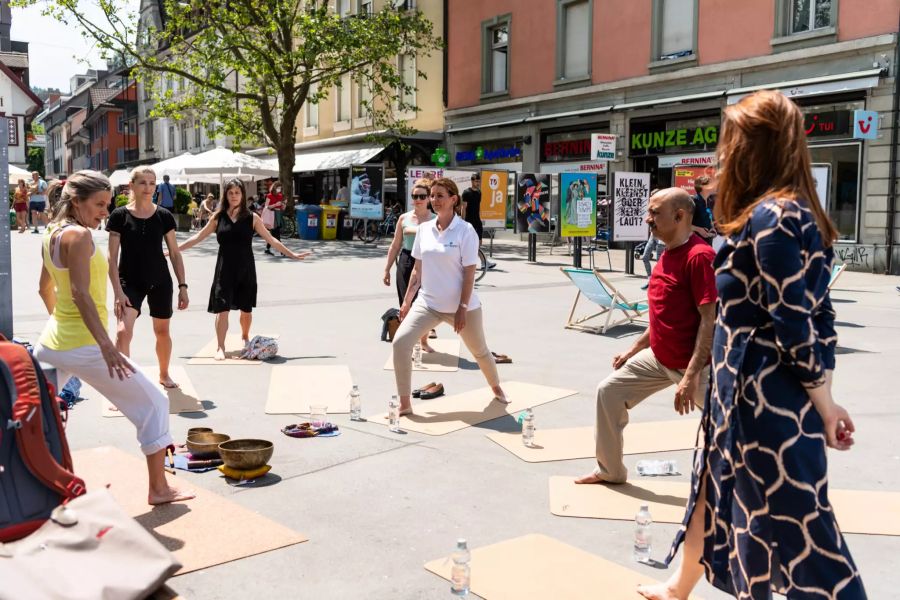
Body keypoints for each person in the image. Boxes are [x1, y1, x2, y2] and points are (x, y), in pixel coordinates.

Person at [638, 91, 865, 600]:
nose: (722, 153)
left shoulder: (776, 216)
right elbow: (817, 316)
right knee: (714, 490)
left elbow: (797, 323)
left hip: (764, 402)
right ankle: (680, 585)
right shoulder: (777, 213)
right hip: (743, 392)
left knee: (807, 538)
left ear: (752, 146)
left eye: (730, 140)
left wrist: (825, 405)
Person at [33, 170, 193, 506]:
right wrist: (106, 346)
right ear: (76, 201)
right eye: (99, 204)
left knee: (36, 418)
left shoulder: (51, 233)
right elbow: (79, 293)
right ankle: (159, 489)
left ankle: (35, 488)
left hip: (51, 344)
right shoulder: (79, 236)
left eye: (108, 204)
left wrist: (60, 323)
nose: (105, 212)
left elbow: (44, 288)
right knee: (155, 403)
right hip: (83, 346)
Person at [575, 188, 716, 486]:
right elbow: (662, 317)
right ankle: (610, 470)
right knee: (608, 392)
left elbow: (709, 322)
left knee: (732, 429)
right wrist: (632, 349)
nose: (647, 218)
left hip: (698, 367)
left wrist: (689, 378)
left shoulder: (700, 257)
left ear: (679, 216)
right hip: (659, 357)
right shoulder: (667, 254)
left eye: (654, 213)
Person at [391, 177, 506, 414]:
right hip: (428, 303)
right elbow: (417, 269)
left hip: (461, 306)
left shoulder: (466, 230)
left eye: (440, 196)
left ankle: (496, 388)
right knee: (400, 343)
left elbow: (469, 272)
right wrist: (406, 301)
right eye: (432, 196)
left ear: (453, 199)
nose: (434, 200)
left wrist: (462, 307)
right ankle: (405, 404)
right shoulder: (424, 230)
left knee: (480, 352)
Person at [178, 179, 310, 361]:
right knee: (222, 309)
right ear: (226, 195)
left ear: (242, 195)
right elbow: (198, 237)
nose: (233, 196)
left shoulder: (252, 218)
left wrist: (292, 254)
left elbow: (272, 240)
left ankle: (245, 336)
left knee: (245, 310)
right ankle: (220, 347)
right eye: (230, 193)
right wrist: (174, 250)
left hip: (245, 269)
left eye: (237, 193)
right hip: (224, 269)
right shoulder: (218, 217)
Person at [106, 167, 189, 389]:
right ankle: (124, 384)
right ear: (131, 185)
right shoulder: (119, 216)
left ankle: (163, 374)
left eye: (152, 183)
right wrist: (117, 292)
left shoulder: (164, 215)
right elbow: (111, 259)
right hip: (128, 282)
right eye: (143, 183)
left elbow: (174, 253)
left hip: (160, 280)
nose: (148, 188)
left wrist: (183, 286)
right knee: (123, 331)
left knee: (162, 332)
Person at [383, 178, 436, 352]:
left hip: (427, 262)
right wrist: (387, 269)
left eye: (422, 196)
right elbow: (395, 245)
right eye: (415, 196)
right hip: (406, 259)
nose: (418, 199)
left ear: (428, 198)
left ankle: (424, 341)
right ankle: (409, 342)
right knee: (406, 303)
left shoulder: (435, 219)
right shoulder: (404, 218)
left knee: (425, 305)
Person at [690, 175, 716, 245]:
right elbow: (685, 225)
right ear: (702, 186)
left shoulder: (710, 201)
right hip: (696, 243)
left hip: (708, 241)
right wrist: (699, 229)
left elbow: (709, 218)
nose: (714, 185)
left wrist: (712, 228)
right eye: (710, 184)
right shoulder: (694, 201)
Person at [263, 182, 285, 256]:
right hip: (272, 215)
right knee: (276, 234)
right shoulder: (269, 195)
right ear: (274, 188)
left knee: (273, 234)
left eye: (280, 188)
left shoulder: (280, 196)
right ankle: (282, 251)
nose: (279, 189)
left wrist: (283, 205)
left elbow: (282, 208)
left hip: (278, 215)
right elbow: (266, 207)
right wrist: (275, 205)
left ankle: (267, 249)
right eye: (278, 188)